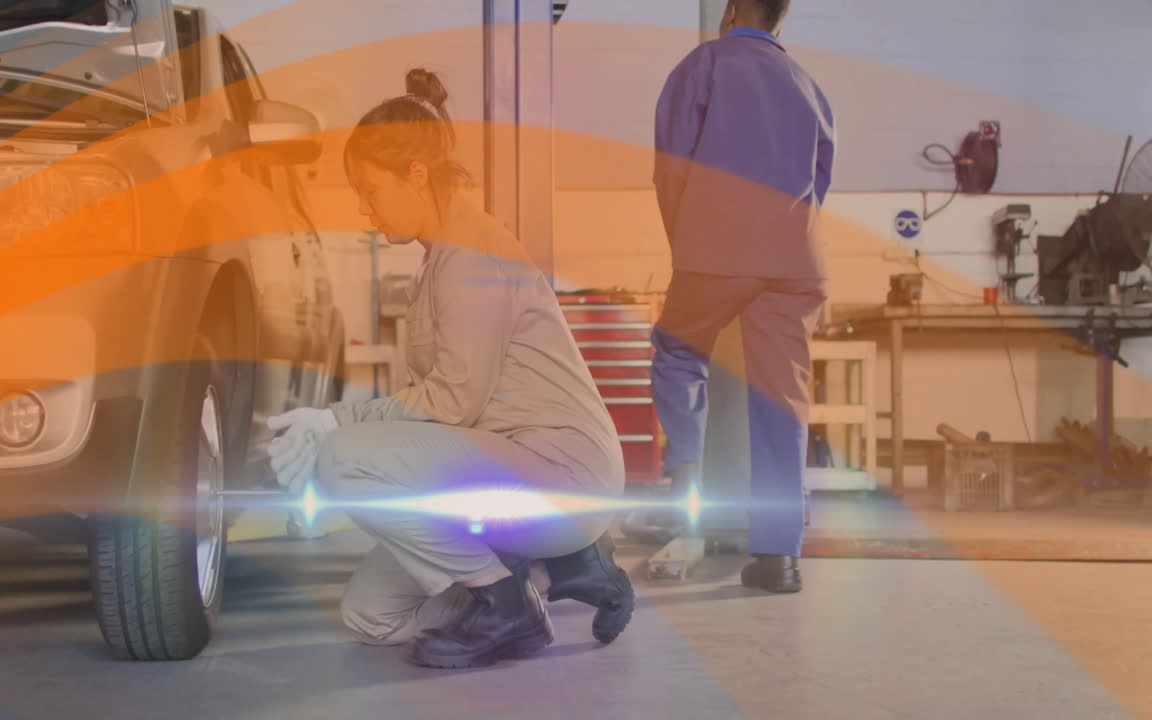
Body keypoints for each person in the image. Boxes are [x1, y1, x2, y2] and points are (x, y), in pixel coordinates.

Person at [266, 69, 635, 669]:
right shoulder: (441, 256)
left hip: (562, 471)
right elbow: (445, 412)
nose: (364, 209)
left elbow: (452, 401)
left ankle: (504, 602)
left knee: (344, 460)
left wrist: (333, 423)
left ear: (416, 175)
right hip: (508, 470)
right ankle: (546, 579)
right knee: (370, 615)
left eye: (370, 190)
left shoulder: (471, 255)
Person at [650, 0, 835, 593]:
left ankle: (683, 483)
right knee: (782, 402)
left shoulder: (701, 67)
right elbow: (821, 178)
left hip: (713, 252)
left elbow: (670, 168)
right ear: (782, 20)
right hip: (795, 261)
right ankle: (779, 559)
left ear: (730, 11)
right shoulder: (809, 86)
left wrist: (688, 245)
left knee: (678, 353)